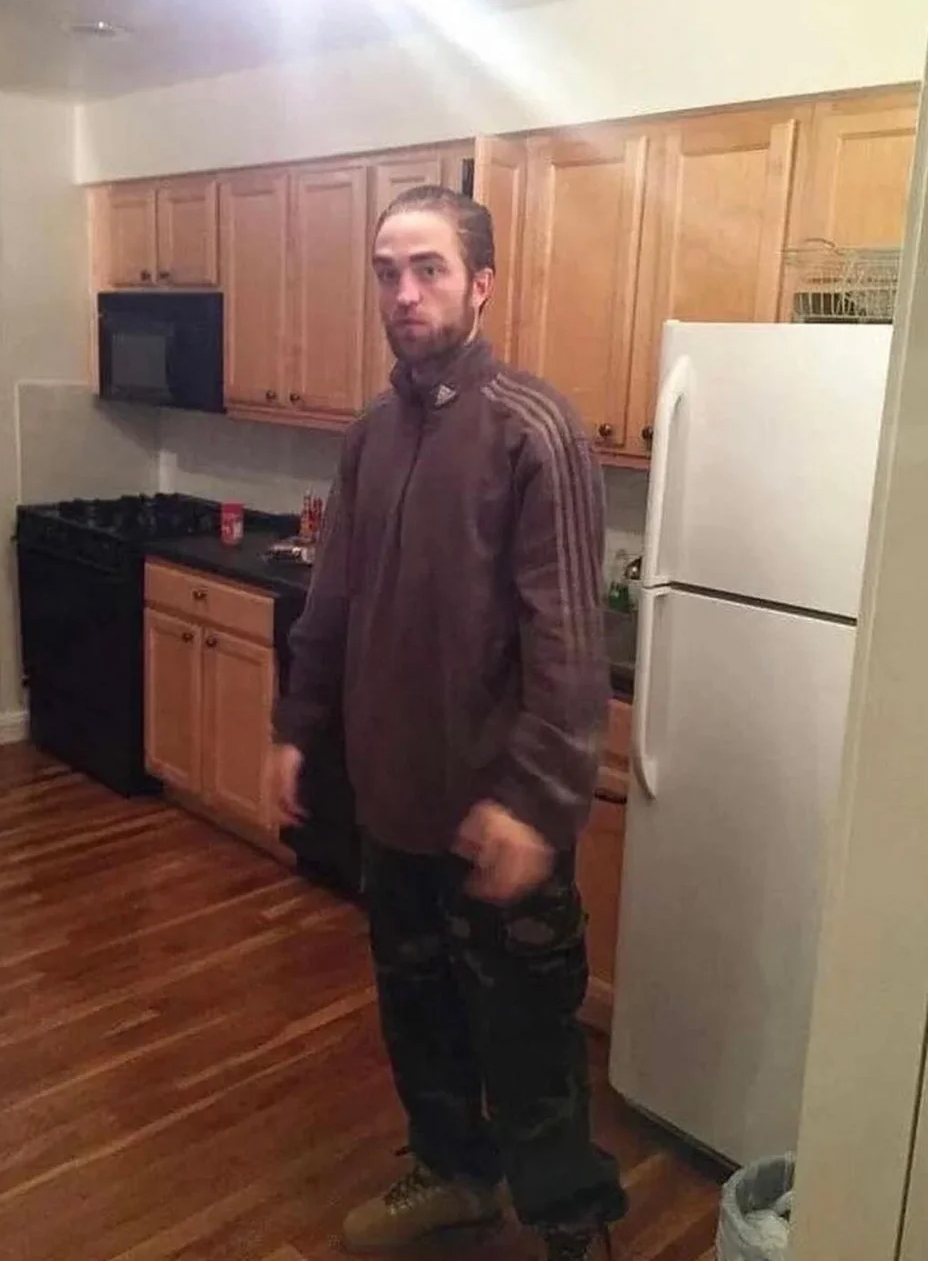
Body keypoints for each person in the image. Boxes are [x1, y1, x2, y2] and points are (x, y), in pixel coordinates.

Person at [264, 185, 626, 1261]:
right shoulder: (371, 435)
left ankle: (575, 1230)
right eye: (387, 271)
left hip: (497, 817)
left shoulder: (535, 430)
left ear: (481, 283)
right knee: (416, 1019)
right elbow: (333, 602)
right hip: (394, 806)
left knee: (528, 1047)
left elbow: (566, 645)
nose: (404, 292)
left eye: (427, 269)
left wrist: (535, 803)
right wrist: (296, 724)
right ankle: (456, 1179)